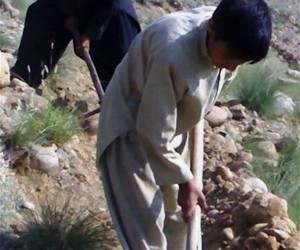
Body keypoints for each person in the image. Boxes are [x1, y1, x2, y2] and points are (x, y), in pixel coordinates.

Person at [96, 0, 272, 249]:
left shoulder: (229, 29)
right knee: (145, 233)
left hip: (173, 123)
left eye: (240, 63)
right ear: (211, 28)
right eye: (229, 57)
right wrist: (185, 179)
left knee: (181, 219)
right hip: (132, 129)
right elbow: (152, 129)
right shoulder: (172, 51)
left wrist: (184, 178)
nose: (232, 67)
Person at [10, 0, 141, 90]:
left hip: (110, 11)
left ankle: (118, 111)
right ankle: (27, 75)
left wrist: (90, 33)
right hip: (78, 4)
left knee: (118, 65)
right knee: (39, 12)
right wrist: (70, 11)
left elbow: (108, 3)